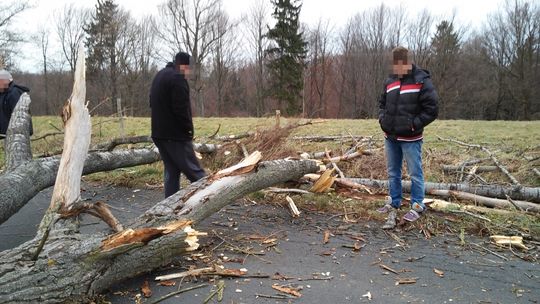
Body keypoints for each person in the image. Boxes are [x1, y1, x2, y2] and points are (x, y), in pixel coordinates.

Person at [377, 46, 438, 228]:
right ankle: (394, 202)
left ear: (407, 62)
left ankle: (417, 206)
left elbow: (432, 109)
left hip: (411, 138)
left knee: (415, 173)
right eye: (395, 63)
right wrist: (383, 120)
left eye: (400, 63)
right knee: (393, 172)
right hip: (391, 136)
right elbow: (381, 103)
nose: (397, 67)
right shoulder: (390, 81)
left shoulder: (421, 80)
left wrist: (414, 124)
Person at [150, 52, 206, 198]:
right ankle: (211, 197)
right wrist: (188, 131)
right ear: (184, 65)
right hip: (175, 136)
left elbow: (151, 102)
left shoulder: (160, 75)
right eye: (188, 68)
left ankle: (169, 206)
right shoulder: (177, 79)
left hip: (158, 134)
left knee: (172, 171)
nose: (188, 72)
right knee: (195, 172)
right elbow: (181, 110)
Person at [0, 69, 31, 139]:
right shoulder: (3, 93)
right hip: (5, 134)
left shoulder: (14, 93)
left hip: (16, 135)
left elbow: (19, 115)